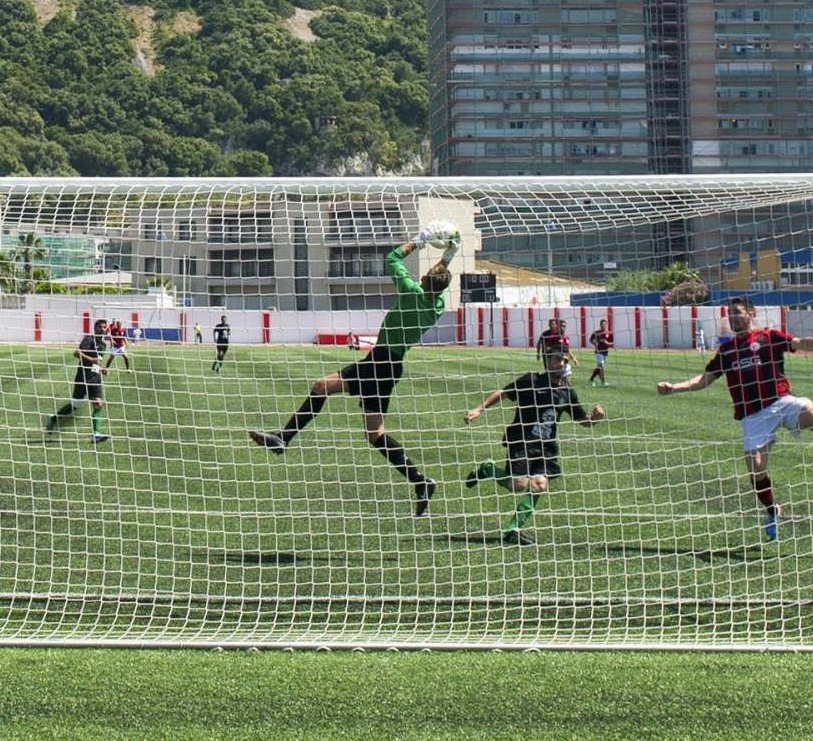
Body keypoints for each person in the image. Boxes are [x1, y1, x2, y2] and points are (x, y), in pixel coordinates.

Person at [247, 227, 457, 517]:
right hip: (390, 365)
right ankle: (420, 480)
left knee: (322, 387)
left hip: (379, 362)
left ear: (422, 280)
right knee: (374, 434)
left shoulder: (411, 292)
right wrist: (450, 253)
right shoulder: (438, 305)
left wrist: (420, 241)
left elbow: (392, 258)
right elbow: (437, 278)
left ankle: (284, 437)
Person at [656, 295, 813, 541]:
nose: (733, 317)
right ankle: (772, 510)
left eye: (737, 312)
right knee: (756, 471)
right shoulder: (727, 351)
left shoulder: (769, 337)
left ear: (751, 314)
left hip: (781, 401)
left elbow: (799, 343)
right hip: (753, 416)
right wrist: (674, 387)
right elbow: (705, 379)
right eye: (730, 314)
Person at [464, 339, 607, 545]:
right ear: (547, 361)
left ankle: (513, 529)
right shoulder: (531, 380)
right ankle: (487, 469)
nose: (560, 363)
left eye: (564, 360)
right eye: (557, 359)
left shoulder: (567, 392)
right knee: (518, 484)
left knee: (539, 485)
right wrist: (479, 409)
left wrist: (594, 419)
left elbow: (582, 420)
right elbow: (503, 393)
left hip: (546, 446)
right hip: (521, 440)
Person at [43, 324, 112, 444]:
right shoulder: (88, 339)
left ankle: (96, 434)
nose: (103, 329)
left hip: (95, 378)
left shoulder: (103, 345)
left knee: (98, 404)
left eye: (105, 327)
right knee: (75, 405)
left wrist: (101, 369)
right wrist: (91, 360)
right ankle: (54, 418)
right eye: (100, 327)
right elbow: (76, 353)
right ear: (95, 328)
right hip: (82, 377)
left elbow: (95, 363)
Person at [587, 317, 614, 386]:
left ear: (606, 325)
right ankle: (603, 382)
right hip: (598, 351)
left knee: (599, 367)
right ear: (600, 325)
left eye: (604, 324)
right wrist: (594, 343)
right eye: (602, 324)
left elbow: (612, 343)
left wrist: (607, 343)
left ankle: (591, 379)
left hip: (605, 352)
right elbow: (590, 339)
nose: (603, 325)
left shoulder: (609, 333)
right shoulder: (596, 333)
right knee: (601, 366)